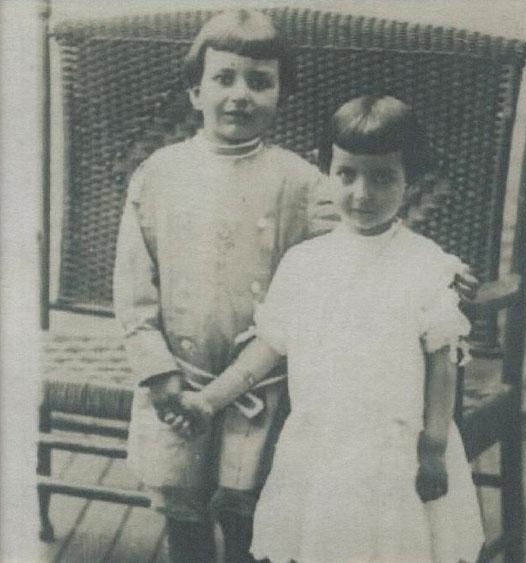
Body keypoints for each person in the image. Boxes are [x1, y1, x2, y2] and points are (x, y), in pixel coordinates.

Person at [178, 95, 487, 562]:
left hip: (394, 451)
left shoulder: (428, 265)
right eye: (347, 174)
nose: (362, 193)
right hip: (322, 450)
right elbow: (267, 349)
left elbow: (443, 367)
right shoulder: (305, 263)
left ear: (411, 183)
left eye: (382, 177)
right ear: (328, 173)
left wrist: (434, 447)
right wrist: (209, 399)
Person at [113, 9, 322, 562]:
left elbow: (355, 246)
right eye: (224, 78)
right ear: (195, 90)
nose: (240, 95)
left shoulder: (302, 182)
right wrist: (158, 373)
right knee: (182, 508)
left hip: (264, 381)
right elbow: (133, 289)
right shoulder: (159, 173)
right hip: (177, 377)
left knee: (249, 511)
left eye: (260, 81)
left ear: (282, 94)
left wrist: (438, 272)